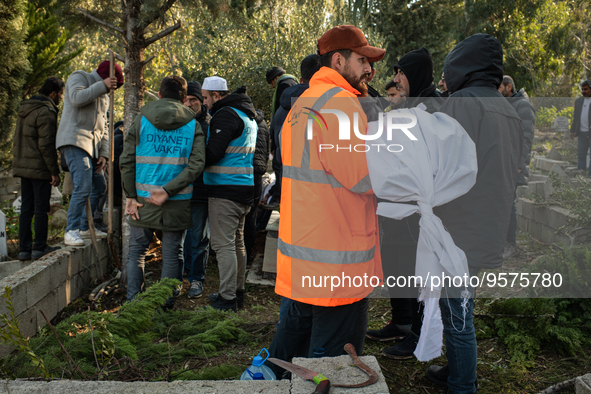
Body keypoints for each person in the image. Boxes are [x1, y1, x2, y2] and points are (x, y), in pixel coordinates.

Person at [267, 25, 385, 376]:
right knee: (330, 366)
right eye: (363, 60)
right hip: (339, 261)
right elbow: (365, 177)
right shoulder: (342, 105)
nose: (369, 70)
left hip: (304, 253)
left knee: (292, 351)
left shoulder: (303, 104)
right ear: (338, 59)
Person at [427, 33, 522, 393]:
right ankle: (456, 369)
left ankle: (463, 384)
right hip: (489, 224)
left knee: (456, 315)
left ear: (462, 65)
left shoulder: (463, 103)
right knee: (462, 306)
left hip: (459, 226)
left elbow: (445, 168)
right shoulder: (506, 107)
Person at [367, 47, 442, 361]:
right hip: (399, 204)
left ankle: (418, 334)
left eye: (401, 73)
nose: (395, 78)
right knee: (398, 264)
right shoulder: (411, 106)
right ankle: (402, 322)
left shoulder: (434, 107)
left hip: (418, 208)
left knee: (418, 270)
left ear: (416, 74)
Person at [120, 76, 205, 305]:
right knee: (172, 252)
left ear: (159, 95)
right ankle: (165, 306)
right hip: (177, 200)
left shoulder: (141, 119)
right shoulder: (193, 124)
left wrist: (129, 195)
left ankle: (133, 305)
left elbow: (127, 160)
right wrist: (168, 190)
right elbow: (197, 164)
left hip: (142, 199)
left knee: (137, 251)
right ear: (185, 98)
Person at [202, 77, 258, 311]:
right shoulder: (248, 116)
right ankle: (237, 292)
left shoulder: (226, 114)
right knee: (236, 243)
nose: (204, 103)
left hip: (225, 189)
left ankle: (226, 299)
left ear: (216, 95)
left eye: (205, 97)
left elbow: (213, 153)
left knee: (223, 245)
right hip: (244, 188)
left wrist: (193, 156)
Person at [56, 60, 124, 246]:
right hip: (74, 142)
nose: (112, 90)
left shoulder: (105, 97)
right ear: (105, 78)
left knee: (99, 185)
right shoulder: (80, 77)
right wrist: (102, 86)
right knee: (83, 184)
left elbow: (105, 127)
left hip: (92, 148)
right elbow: (77, 98)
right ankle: (72, 229)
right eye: (112, 84)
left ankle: (85, 227)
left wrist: (104, 154)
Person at [13, 77, 64, 261]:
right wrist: (54, 171)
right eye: (60, 94)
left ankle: (24, 250)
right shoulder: (46, 111)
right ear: (52, 93)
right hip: (39, 167)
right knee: (41, 207)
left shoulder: (25, 109)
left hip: (23, 166)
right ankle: (40, 247)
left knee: (26, 208)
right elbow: (46, 145)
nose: (60, 98)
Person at [263, 55, 322, 212]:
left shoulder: (283, 106)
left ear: (301, 79)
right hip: (316, 200)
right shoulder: (325, 105)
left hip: (290, 192)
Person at [177, 81, 212, 299]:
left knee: (198, 237)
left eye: (194, 100)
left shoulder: (208, 124)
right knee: (179, 238)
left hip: (200, 189)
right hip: (179, 189)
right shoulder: (177, 123)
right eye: (186, 100)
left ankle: (196, 278)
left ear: (201, 101)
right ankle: (181, 275)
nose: (190, 104)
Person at [499, 75, 535, 259]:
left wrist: (520, 164)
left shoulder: (523, 105)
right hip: (504, 162)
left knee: (509, 203)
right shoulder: (506, 104)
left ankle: (510, 244)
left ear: (509, 87)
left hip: (514, 164)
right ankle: (501, 242)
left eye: (500, 87)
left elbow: (526, 138)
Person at [244, 106, 269, 263]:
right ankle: (248, 252)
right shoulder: (264, 124)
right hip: (258, 171)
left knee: (241, 213)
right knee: (252, 214)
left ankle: (239, 251)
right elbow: (267, 148)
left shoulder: (243, 120)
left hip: (243, 170)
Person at [570, 80, 591, 176]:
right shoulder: (578, 101)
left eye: (586, 89)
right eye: (582, 89)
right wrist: (572, 130)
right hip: (581, 133)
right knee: (581, 155)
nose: (583, 91)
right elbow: (576, 118)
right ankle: (580, 178)